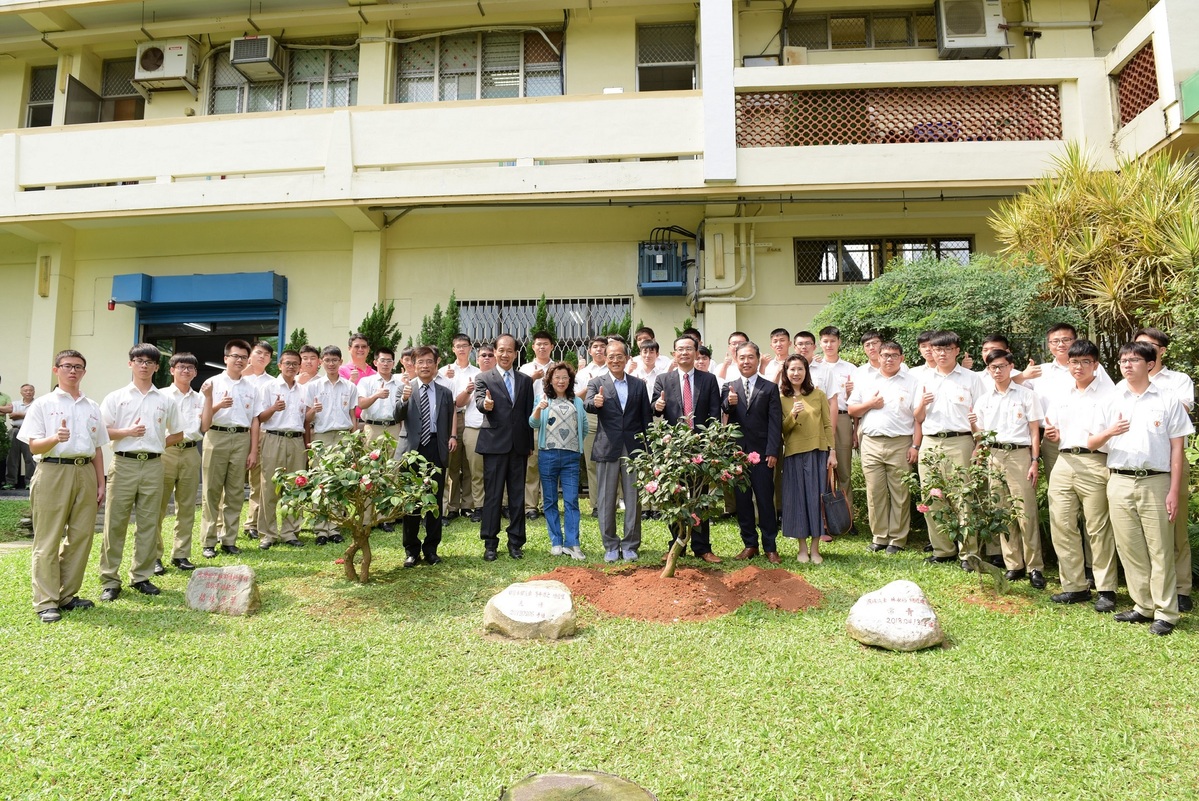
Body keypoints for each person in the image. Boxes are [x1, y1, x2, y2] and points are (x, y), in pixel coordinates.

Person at [1090, 341, 1193, 636]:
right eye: (1123, 361)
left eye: (1133, 360)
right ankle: (1143, 606)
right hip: (1119, 480)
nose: (1127, 365)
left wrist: (1173, 490)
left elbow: (1177, 449)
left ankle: (1166, 612)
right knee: (1130, 547)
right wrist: (1110, 432)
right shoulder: (1111, 399)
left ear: (1150, 364)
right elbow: (1092, 442)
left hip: (1156, 481)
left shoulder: (1168, 399)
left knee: (1160, 548)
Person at [19, 350, 108, 623]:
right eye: (67, 366)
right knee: (48, 538)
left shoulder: (92, 406)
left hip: (85, 471)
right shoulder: (42, 405)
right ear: (56, 369)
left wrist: (101, 482)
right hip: (53, 471)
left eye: (78, 367)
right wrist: (55, 438)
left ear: (84, 372)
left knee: (81, 537)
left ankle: (67, 595)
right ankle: (46, 601)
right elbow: (34, 446)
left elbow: (97, 447)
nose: (73, 371)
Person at [98, 344, 183, 600]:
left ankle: (141, 576)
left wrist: (156, 443)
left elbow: (178, 433)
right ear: (130, 364)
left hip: (154, 465)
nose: (144, 365)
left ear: (157, 367)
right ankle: (110, 580)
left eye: (149, 362)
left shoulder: (166, 400)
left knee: (148, 522)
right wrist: (127, 432)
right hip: (124, 463)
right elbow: (101, 431)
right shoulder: (116, 397)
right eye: (139, 360)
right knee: (115, 523)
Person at [1041, 339, 1120, 613]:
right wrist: (1053, 435)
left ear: (1095, 365)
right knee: (1062, 524)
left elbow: (1115, 434)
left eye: (1085, 362)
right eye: (1074, 362)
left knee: (1097, 527)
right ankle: (1074, 586)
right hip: (1064, 460)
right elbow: (1053, 429)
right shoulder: (1062, 394)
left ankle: (1106, 589)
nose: (1079, 367)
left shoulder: (1110, 395)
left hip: (1096, 462)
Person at [971, 349, 1046, 589]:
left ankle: (1035, 567)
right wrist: (979, 452)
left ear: (1011, 367)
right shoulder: (984, 400)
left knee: (1025, 512)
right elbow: (981, 435)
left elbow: (1034, 431)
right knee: (1001, 510)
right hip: (993, 455)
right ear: (988, 370)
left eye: (1002, 366)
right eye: (993, 367)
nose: (998, 371)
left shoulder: (1026, 395)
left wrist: (1034, 460)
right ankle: (1013, 564)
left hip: (1019, 455)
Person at [1135, 327, 1196, 612]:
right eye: (1138, 345)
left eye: (1148, 345)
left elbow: (1181, 412)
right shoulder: (1126, 383)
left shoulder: (1178, 380)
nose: (1141, 350)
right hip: (1143, 463)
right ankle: (1153, 590)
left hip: (1172, 461)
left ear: (1161, 351)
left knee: (1176, 525)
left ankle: (1181, 588)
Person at [914, 331, 986, 570]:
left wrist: (979, 445)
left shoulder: (971, 378)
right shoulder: (923, 379)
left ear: (957, 351)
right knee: (932, 497)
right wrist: (922, 404)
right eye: (937, 349)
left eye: (947, 349)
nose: (941, 354)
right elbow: (917, 417)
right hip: (930, 442)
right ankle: (942, 550)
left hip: (961, 441)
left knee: (963, 498)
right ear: (931, 351)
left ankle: (968, 554)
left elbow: (981, 414)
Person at [653, 336, 723, 562]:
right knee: (676, 495)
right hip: (673, 448)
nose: (684, 353)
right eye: (680, 349)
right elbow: (655, 409)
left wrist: (711, 440)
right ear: (674, 353)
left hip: (701, 445)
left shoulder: (708, 379)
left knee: (700, 496)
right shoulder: (663, 379)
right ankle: (677, 545)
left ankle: (702, 547)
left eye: (688, 349)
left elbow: (714, 412)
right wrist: (658, 405)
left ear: (696, 352)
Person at [849, 341, 920, 554]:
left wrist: (915, 445)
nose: (889, 359)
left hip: (900, 442)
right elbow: (852, 410)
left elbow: (918, 417)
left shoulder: (912, 382)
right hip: (871, 442)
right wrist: (870, 404)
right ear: (878, 357)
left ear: (902, 358)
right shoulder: (865, 380)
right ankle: (879, 536)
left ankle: (897, 539)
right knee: (875, 492)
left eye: (894, 355)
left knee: (900, 492)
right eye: (885, 355)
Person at [585, 339, 652, 562]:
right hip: (607, 446)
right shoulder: (597, 382)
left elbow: (646, 418)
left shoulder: (638, 385)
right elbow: (587, 404)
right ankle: (611, 545)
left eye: (619, 356)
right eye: (611, 357)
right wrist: (596, 402)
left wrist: (649, 449)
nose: (615, 360)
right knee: (606, 498)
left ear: (627, 358)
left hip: (633, 447)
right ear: (605, 358)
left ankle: (631, 544)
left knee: (633, 498)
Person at [474, 334, 535, 561]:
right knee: (493, 495)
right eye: (501, 350)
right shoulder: (483, 378)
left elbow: (528, 414)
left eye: (510, 350)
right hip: (494, 445)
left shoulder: (525, 381)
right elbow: (480, 401)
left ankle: (516, 542)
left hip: (519, 446)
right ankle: (490, 543)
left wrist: (529, 444)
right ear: (495, 351)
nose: (505, 354)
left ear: (516, 354)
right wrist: (486, 404)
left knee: (517, 495)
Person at [395, 346, 457, 567]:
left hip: (435, 449)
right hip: (412, 451)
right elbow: (397, 415)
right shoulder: (405, 388)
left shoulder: (445, 392)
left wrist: (451, 438)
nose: (425, 366)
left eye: (429, 361)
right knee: (411, 501)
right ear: (413, 364)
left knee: (434, 501)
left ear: (436, 363)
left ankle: (431, 549)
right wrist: (403, 400)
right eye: (420, 362)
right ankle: (411, 550)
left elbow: (448, 420)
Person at [721, 342, 782, 563]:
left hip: (763, 454)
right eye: (742, 358)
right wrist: (729, 403)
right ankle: (749, 544)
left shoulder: (769, 388)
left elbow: (775, 422)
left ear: (757, 359)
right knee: (743, 501)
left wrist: (772, 451)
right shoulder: (729, 386)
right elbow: (724, 412)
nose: (746, 361)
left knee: (765, 500)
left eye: (750, 357)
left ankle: (770, 547)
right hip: (738, 454)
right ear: (736, 360)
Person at [199, 339, 257, 559]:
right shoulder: (211, 383)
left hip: (241, 439)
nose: (239, 360)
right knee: (211, 491)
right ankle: (208, 541)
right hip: (216, 436)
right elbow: (203, 421)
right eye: (235, 356)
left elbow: (255, 420)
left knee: (235, 492)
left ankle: (229, 540)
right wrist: (217, 405)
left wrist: (253, 450)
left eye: (243, 357)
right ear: (226, 359)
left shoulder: (251, 388)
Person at [251, 349, 308, 550]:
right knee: (269, 487)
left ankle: (290, 532)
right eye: (287, 363)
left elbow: (305, 420)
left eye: (295, 364)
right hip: (273, 438)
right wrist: (273, 408)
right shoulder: (268, 387)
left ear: (299, 367)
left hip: (297, 441)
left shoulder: (303, 390)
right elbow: (259, 417)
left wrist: (307, 445)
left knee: (296, 486)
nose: (291, 367)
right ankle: (268, 534)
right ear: (280, 365)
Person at [531, 361, 588, 560]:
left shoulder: (577, 401)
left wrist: (575, 444)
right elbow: (533, 423)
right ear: (550, 380)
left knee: (572, 500)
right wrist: (539, 409)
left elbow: (584, 427)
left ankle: (572, 543)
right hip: (548, 455)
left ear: (570, 380)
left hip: (571, 456)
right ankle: (556, 541)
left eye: (565, 377)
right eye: (557, 377)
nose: (561, 381)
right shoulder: (542, 399)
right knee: (550, 499)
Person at [779, 354, 834, 563]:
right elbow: (782, 431)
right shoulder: (781, 398)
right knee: (798, 500)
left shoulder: (818, 394)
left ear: (806, 371)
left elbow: (827, 425)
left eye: (800, 369)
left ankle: (815, 549)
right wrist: (792, 414)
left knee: (816, 499)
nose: (796, 373)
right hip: (793, 454)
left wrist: (832, 451)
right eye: (792, 369)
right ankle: (802, 548)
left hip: (818, 452)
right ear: (786, 372)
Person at [304, 344, 360, 545]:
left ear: (340, 362)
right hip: (322, 436)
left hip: (343, 437)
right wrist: (314, 410)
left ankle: (335, 527)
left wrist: (353, 440)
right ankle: (321, 529)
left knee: (338, 481)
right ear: (321, 362)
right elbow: (307, 417)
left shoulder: (350, 387)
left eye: (334, 360)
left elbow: (353, 416)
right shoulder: (313, 386)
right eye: (327, 360)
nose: (331, 364)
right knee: (321, 481)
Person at [155, 353, 204, 573]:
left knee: (187, 505)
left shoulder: (201, 398)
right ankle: (153, 556)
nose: (186, 371)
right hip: (166, 452)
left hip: (191, 452)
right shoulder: (161, 396)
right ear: (172, 370)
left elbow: (205, 425)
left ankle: (181, 554)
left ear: (195, 372)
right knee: (157, 505)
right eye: (181, 367)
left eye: (190, 368)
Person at [440, 334, 481, 521]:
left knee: (469, 464)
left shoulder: (478, 372)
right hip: (452, 419)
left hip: (471, 419)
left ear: (471, 348)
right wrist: (445, 379)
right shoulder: (444, 371)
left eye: (465, 345)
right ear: (453, 349)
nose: (462, 349)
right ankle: (452, 506)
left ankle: (468, 505)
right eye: (458, 346)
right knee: (453, 465)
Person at [240, 340, 276, 541]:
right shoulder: (237, 377)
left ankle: (252, 523)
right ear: (250, 356)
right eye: (259, 352)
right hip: (236, 433)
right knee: (231, 481)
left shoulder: (272, 382)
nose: (262, 357)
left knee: (258, 481)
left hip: (262, 434)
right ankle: (221, 526)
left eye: (266, 355)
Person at [520, 331, 556, 519]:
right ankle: (530, 506)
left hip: (554, 422)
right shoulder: (525, 369)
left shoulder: (558, 367)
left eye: (545, 344)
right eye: (538, 344)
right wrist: (531, 378)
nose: (542, 347)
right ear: (533, 347)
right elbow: (517, 394)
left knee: (551, 465)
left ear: (552, 346)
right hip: (532, 420)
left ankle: (549, 504)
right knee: (532, 465)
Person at [575, 336, 610, 515]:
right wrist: (590, 386)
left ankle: (612, 502)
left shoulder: (614, 368)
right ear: (589, 351)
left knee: (612, 461)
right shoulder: (582, 373)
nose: (599, 349)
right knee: (592, 461)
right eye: (595, 347)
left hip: (612, 416)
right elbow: (574, 398)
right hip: (589, 416)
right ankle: (596, 504)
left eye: (603, 346)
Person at [357, 345, 406, 446]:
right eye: (382, 360)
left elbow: (402, 410)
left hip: (394, 428)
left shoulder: (400, 385)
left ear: (393, 363)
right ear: (375, 362)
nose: (385, 364)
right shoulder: (366, 381)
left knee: (394, 456)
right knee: (370, 456)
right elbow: (361, 404)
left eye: (389, 361)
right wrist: (376, 395)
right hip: (372, 428)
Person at [5, 383, 36, 489]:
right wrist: (26, 415)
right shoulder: (15, 404)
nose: (28, 392)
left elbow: (35, 416)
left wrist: (19, 414)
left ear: (34, 392)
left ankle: (29, 482)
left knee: (30, 457)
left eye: (30, 390)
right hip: (15, 431)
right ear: (21, 392)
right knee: (11, 457)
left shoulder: (37, 403)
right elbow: (11, 415)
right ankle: (10, 482)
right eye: (25, 390)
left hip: (29, 431)